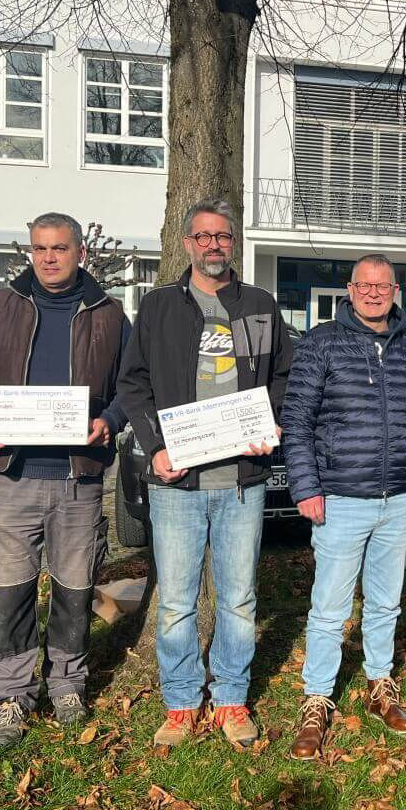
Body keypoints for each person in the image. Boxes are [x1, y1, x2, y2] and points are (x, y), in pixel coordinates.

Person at [117, 198, 293, 749]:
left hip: (242, 480)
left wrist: (272, 422)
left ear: (233, 243)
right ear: (188, 243)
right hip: (178, 483)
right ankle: (181, 702)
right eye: (204, 236)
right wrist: (155, 448)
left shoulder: (259, 305)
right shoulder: (159, 307)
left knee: (239, 599)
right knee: (176, 601)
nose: (214, 245)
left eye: (223, 236)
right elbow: (133, 383)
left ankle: (231, 697)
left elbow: (283, 376)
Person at [0, 212, 131, 748]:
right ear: (30, 252)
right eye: (39, 248)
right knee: (11, 592)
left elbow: (129, 385)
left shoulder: (109, 314)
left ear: (81, 252)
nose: (49, 258)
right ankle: (12, 693)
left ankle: (67, 683)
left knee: (74, 589)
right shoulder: (0, 306)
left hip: (78, 477)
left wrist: (111, 419)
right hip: (13, 475)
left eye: (59, 248)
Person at [280, 254, 406, 760]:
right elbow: (297, 420)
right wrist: (306, 487)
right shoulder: (321, 343)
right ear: (350, 290)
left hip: (399, 498)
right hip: (340, 498)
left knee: (386, 601)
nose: (373, 293)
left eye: (382, 286)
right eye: (364, 285)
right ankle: (316, 699)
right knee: (330, 606)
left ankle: (379, 684)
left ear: (395, 291)